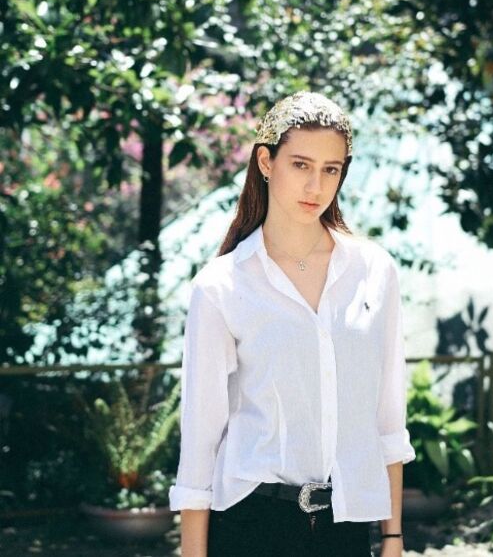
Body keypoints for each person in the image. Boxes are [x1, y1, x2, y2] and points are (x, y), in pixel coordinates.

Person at [169, 91, 416, 557]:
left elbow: (387, 421)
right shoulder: (221, 286)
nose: (315, 186)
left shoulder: (374, 272)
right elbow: (201, 439)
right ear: (266, 161)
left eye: (331, 169)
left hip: (345, 526)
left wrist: (392, 536)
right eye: (301, 164)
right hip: (250, 526)